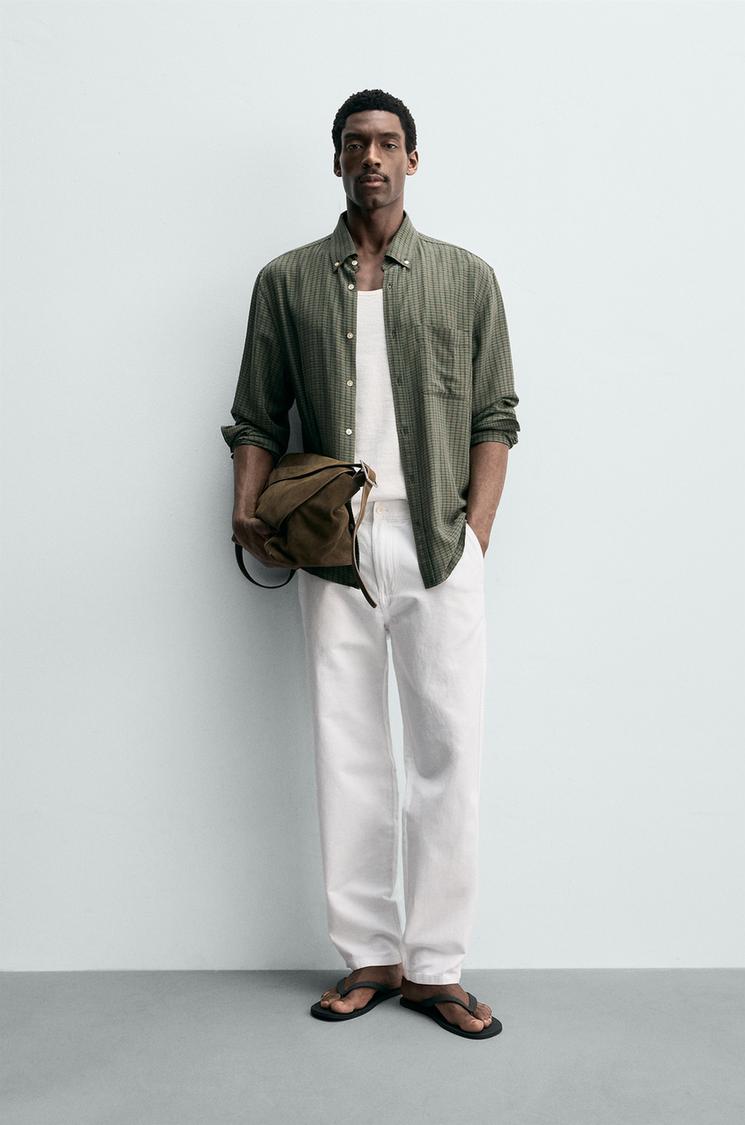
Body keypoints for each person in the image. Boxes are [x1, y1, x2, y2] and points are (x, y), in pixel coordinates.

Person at [221, 89, 520, 1039]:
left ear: (413, 159)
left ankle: (437, 966)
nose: (373, 159)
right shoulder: (287, 281)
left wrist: (474, 533)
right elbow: (257, 414)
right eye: (357, 144)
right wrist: (246, 508)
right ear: (338, 161)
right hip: (331, 547)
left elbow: (495, 415)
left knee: (448, 751)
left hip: (437, 542)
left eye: (389, 143)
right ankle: (370, 956)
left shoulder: (466, 278)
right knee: (347, 749)